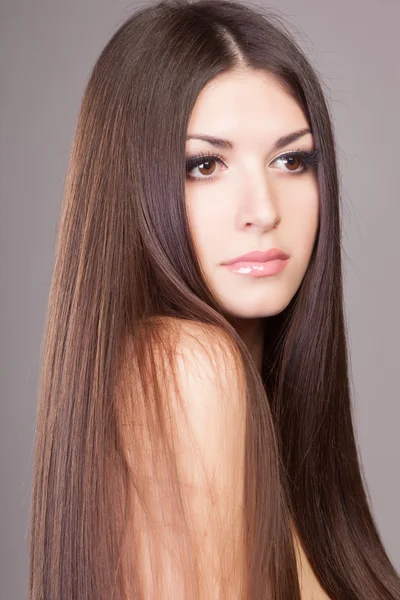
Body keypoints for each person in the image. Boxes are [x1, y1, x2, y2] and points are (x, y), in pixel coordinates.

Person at [28, 0, 400, 598]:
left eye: (290, 160)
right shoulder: (188, 367)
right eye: (205, 165)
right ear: (131, 186)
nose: (262, 210)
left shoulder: (234, 398)